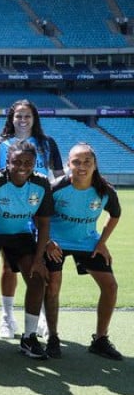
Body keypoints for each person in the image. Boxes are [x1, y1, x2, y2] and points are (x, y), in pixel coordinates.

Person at [0, 99, 64, 339]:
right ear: (11, 119)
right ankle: (7, 317)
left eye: (27, 116)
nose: (22, 120)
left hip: (38, 208)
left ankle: (40, 317)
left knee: (39, 264)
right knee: (7, 266)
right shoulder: (0, 144)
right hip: (10, 210)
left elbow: (60, 178)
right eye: (18, 116)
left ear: (34, 119)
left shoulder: (47, 143)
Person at [43, 143, 122, 360]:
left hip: (88, 242)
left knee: (110, 286)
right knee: (53, 286)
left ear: (95, 164)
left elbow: (114, 215)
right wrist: (48, 241)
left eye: (87, 161)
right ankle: (52, 337)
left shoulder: (105, 190)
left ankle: (100, 339)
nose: (82, 166)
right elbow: (39, 216)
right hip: (57, 242)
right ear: (68, 164)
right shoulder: (56, 187)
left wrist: (102, 242)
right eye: (76, 161)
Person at [0, 141, 52, 359]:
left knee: (37, 277)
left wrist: (39, 259)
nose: (22, 166)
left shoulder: (41, 183)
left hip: (21, 234)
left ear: (34, 163)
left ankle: (29, 337)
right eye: (16, 162)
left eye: (28, 163)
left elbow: (43, 224)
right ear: (7, 162)